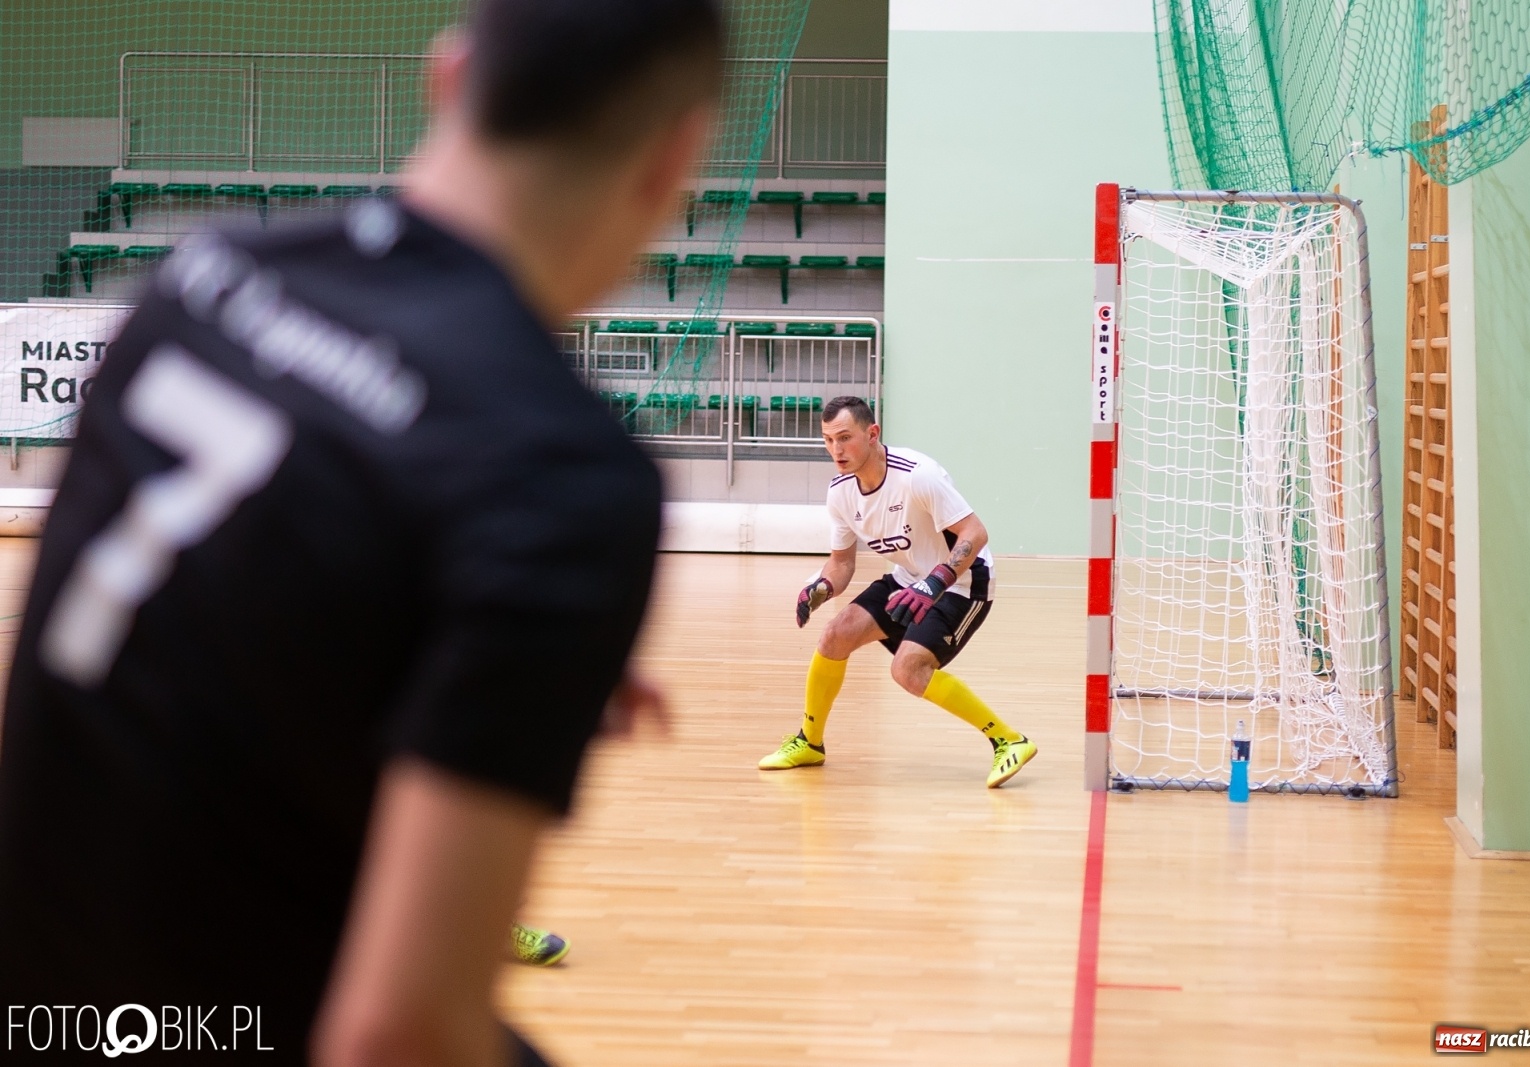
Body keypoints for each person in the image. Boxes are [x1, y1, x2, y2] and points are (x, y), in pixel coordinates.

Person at [0, 1, 721, 1064]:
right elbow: (395, 1036)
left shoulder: (203, 279)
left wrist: (466, 649)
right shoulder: (560, 472)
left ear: (448, 74)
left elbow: (177, 642)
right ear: (674, 161)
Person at [758, 396, 1038, 788]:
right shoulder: (840, 492)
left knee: (908, 669)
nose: (836, 450)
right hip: (908, 579)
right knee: (834, 636)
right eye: (827, 440)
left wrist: (935, 581)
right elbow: (841, 563)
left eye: (845, 438)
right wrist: (820, 587)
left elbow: (975, 533)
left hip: (961, 582)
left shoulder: (917, 475)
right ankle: (810, 743)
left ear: (872, 434)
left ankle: (1009, 740)